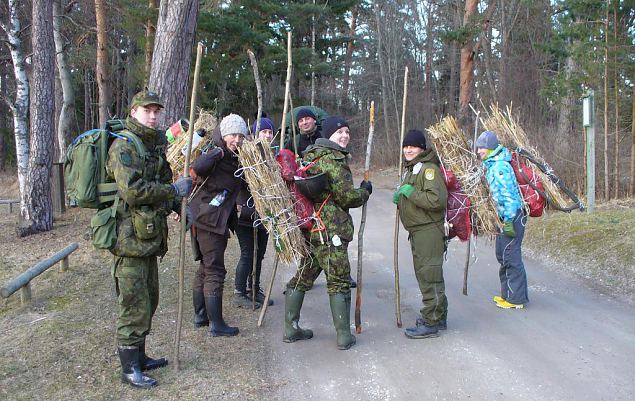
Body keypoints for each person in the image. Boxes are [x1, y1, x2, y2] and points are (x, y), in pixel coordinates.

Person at [106, 90, 192, 388]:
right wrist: (173, 192)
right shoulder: (124, 147)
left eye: (156, 111)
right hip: (129, 242)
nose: (153, 116)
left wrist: (177, 208)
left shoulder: (153, 147)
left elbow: (161, 184)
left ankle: (140, 358)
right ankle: (129, 369)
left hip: (149, 239)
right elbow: (133, 191)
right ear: (133, 112)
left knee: (149, 299)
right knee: (134, 304)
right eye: (147, 111)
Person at [284, 116, 372, 350]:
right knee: (339, 281)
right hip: (330, 230)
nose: (344, 136)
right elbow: (346, 197)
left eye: (346, 131)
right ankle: (344, 336)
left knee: (304, 276)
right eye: (339, 132)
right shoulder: (334, 160)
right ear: (329, 135)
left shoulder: (312, 156)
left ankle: (290, 329)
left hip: (313, 229)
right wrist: (364, 192)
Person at [190, 113, 247, 337]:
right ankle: (216, 324)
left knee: (206, 266)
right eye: (233, 135)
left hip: (211, 218)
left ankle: (201, 316)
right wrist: (217, 152)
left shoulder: (235, 157)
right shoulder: (218, 152)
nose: (237, 140)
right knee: (214, 269)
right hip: (208, 219)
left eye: (241, 136)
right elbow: (197, 167)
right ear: (224, 135)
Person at [393, 129, 449, 339]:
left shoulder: (428, 169)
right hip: (418, 231)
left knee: (429, 275)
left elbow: (436, 201)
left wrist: (411, 193)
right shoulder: (411, 169)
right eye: (406, 146)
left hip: (428, 230)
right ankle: (439, 314)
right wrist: (401, 198)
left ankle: (431, 321)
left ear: (422, 149)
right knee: (428, 273)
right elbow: (416, 196)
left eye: (413, 146)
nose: (408, 150)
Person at [475, 130, 528, 309]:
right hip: (503, 217)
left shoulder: (499, 168)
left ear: (490, 147)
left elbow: (509, 197)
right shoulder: (493, 165)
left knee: (511, 257)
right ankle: (507, 295)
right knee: (503, 255)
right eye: (478, 148)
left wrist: (508, 220)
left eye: (482, 148)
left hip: (511, 218)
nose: (479, 151)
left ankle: (516, 300)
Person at [233, 118, 275, 309]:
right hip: (245, 215)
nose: (267, 135)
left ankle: (254, 289)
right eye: (263, 132)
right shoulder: (244, 155)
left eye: (269, 132)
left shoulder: (270, 157)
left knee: (260, 254)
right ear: (254, 135)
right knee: (248, 254)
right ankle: (239, 292)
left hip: (264, 215)